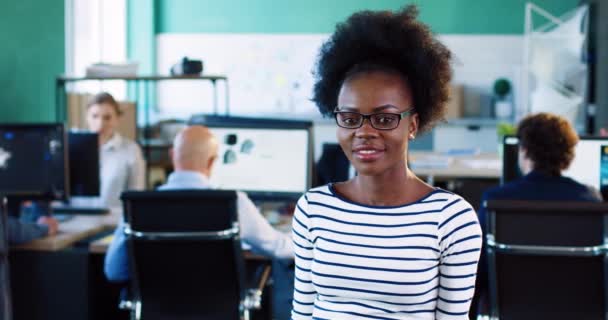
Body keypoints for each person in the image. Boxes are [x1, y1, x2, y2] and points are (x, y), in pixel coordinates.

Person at [291, 6, 482, 320]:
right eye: (350, 118)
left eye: (384, 118)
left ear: (412, 124)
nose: (364, 132)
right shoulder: (313, 209)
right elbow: (302, 312)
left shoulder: (451, 220)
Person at [104, 125, 293, 282]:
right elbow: (279, 248)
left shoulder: (139, 206)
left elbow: (114, 271)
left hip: (156, 311)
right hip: (219, 309)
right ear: (212, 162)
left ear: (172, 155)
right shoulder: (234, 203)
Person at [475, 112, 602, 314]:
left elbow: (478, 271)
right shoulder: (591, 201)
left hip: (511, 311)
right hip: (577, 312)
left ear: (524, 151)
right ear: (567, 155)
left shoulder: (495, 200)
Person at [70, 92, 145, 219]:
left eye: (107, 117)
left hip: (112, 224)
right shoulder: (72, 147)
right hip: (75, 221)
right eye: (94, 116)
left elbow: (136, 194)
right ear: (87, 117)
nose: (100, 123)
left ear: (117, 119)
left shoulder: (131, 150)